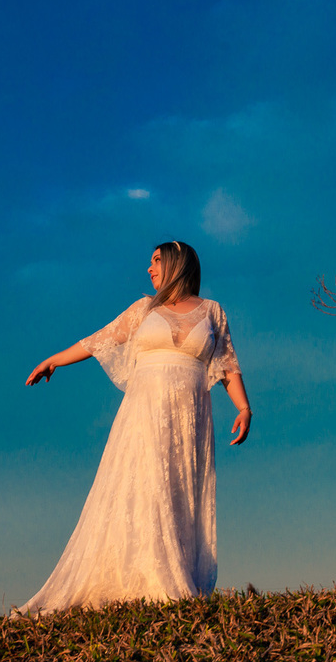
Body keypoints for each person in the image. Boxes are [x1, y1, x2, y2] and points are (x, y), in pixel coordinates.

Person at [21, 241, 252, 614]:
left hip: (189, 418)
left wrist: (243, 407)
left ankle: (177, 573)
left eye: (157, 260)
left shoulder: (213, 311)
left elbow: (227, 363)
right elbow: (98, 339)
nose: (149, 268)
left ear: (178, 263)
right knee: (144, 484)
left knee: (178, 488)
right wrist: (54, 361)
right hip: (144, 412)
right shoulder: (144, 308)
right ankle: (142, 575)